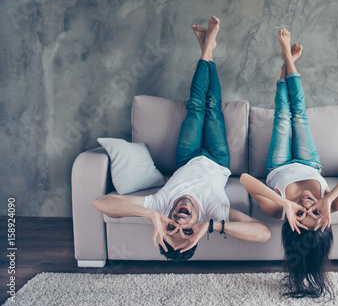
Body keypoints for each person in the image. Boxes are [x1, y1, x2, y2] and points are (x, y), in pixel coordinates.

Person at [94, 16, 271, 261]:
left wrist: (150, 216)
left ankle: (207, 48)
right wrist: (212, 226)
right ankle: (207, 47)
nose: (178, 222)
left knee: (196, 105)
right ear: (196, 232)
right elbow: (262, 233)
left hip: (186, 158)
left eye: (169, 229)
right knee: (212, 106)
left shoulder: (159, 206)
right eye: (186, 231)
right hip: (219, 160)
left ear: (162, 225)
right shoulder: (213, 213)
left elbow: (101, 203)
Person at [240, 28, 338, 298]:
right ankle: (287, 57)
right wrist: (330, 198)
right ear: (325, 220)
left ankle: (287, 60)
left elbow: (245, 180)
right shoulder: (332, 203)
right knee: (299, 113)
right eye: (316, 215)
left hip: (278, 165)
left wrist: (285, 203)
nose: (308, 207)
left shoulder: (277, 210)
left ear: (291, 221)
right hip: (310, 162)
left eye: (301, 215)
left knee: (283, 115)